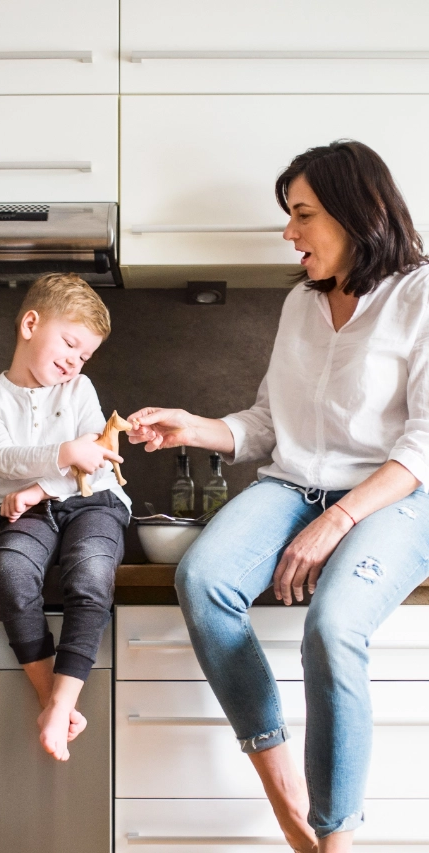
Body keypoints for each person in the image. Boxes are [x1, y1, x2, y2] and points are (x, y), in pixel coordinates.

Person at [128, 140, 429, 852]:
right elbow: (270, 424)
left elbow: (424, 442)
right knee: (202, 578)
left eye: (302, 214)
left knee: (332, 627)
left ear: (358, 213)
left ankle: (333, 838)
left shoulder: (419, 297)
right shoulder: (300, 304)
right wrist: (193, 426)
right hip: (295, 485)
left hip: (394, 494)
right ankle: (283, 786)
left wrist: (339, 522)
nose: (288, 232)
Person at [0, 273, 130, 762]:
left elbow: (94, 462)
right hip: (34, 510)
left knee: (92, 573)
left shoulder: (79, 389)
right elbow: (3, 458)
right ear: (31, 323)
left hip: (94, 502)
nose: (73, 362)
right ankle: (49, 699)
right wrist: (65, 453)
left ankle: (63, 702)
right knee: (12, 575)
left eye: (83, 356)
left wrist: (41, 483)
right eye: (69, 344)